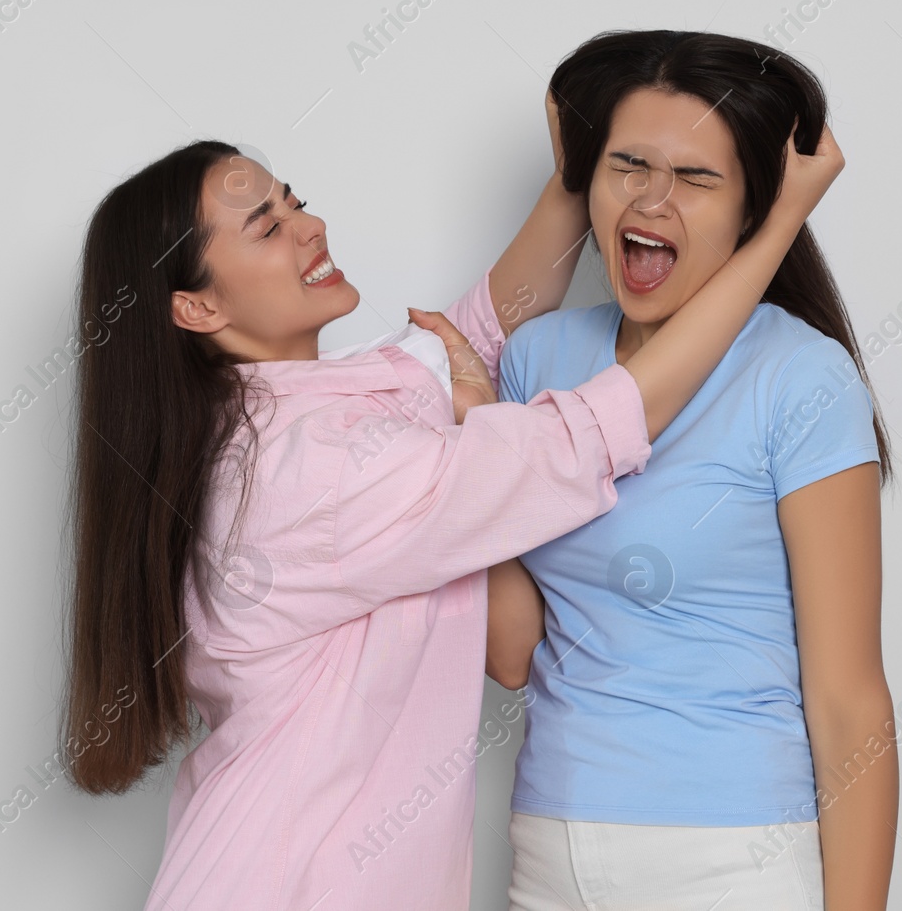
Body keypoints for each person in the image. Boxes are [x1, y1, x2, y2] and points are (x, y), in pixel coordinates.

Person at [60, 93, 842, 909]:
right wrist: (778, 221)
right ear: (199, 307)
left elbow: (488, 328)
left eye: (293, 199)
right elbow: (585, 435)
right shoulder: (305, 469)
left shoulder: (327, 400)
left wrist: (585, 163)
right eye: (267, 226)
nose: (310, 225)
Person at [487, 30, 895, 911]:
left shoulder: (801, 376)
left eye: (698, 178)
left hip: (730, 854)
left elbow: (848, 698)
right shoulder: (536, 360)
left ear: (756, 208)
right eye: (627, 164)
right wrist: (464, 433)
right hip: (549, 848)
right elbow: (510, 649)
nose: (652, 198)